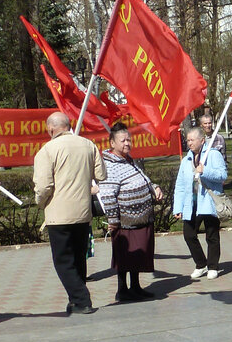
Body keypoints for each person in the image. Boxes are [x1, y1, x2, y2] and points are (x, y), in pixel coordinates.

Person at [34, 112, 106, 314]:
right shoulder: (88, 145)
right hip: (83, 212)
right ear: (69, 125)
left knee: (63, 261)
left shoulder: (47, 150)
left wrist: (40, 202)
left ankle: (82, 300)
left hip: (59, 214)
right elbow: (101, 174)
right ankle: (75, 300)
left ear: (50, 129)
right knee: (78, 258)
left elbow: (43, 186)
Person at [98, 123, 163, 302]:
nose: (127, 143)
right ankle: (123, 290)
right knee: (125, 256)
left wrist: (153, 187)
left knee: (137, 255)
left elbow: (142, 177)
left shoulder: (128, 159)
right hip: (125, 221)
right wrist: (113, 220)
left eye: (129, 139)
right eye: (123, 140)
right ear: (112, 143)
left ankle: (135, 286)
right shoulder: (110, 165)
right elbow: (108, 194)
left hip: (141, 218)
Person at [173, 126, 227, 280]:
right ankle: (201, 264)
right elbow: (180, 185)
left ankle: (213, 266)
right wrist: (178, 207)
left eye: (192, 140)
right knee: (189, 234)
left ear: (202, 140)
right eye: (187, 140)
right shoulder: (186, 160)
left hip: (209, 202)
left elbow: (223, 175)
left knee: (212, 235)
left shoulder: (213, 155)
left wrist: (205, 171)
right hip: (192, 203)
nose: (189, 143)